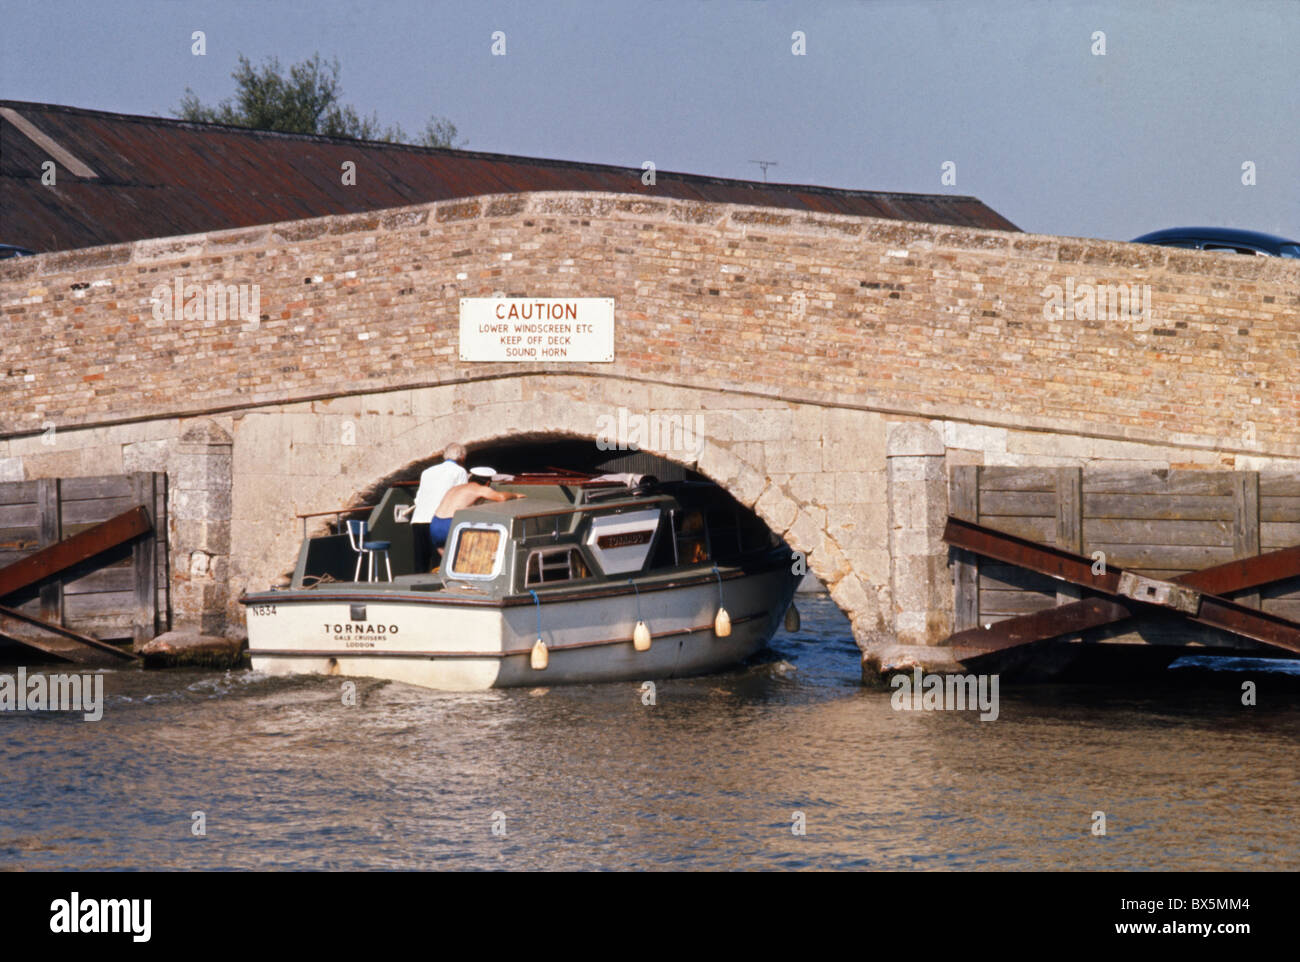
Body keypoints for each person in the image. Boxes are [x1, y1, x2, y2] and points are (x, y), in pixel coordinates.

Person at [430, 469, 524, 557]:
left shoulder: (455, 488)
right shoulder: (478, 489)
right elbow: (501, 497)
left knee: (447, 557)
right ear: (487, 483)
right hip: (450, 523)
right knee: (466, 556)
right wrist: (515, 495)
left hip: (435, 523)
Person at [411, 444, 468, 569]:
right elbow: (460, 498)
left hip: (419, 519)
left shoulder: (427, 472)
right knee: (439, 565)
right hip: (439, 521)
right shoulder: (460, 472)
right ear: (462, 457)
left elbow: (418, 498)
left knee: (421, 563)